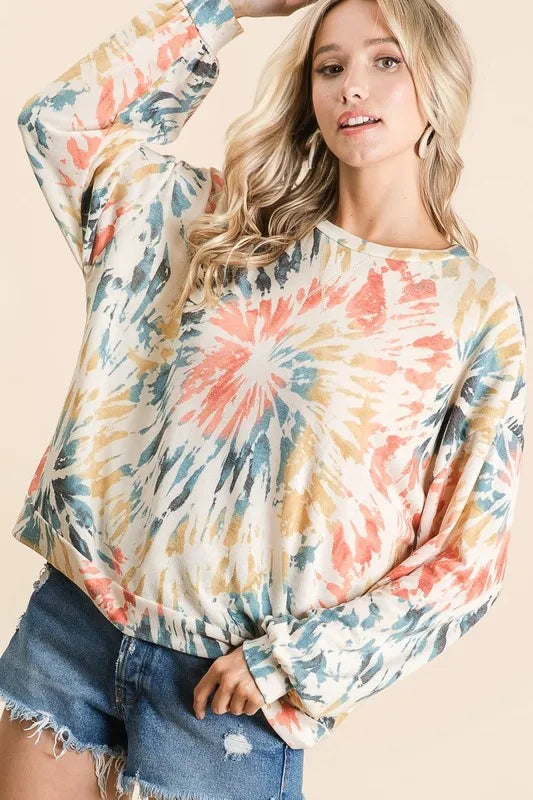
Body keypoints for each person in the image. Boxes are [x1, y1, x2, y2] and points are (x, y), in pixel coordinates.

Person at [0, 0, 527, 797]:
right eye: (330, 67)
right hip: (77, 623)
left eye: (385, 60)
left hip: (224, 691)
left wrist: (294, 664)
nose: (352, 86)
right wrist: (220, 7)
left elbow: (465, 562)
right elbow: (63, 125)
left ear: (438, 82)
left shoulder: (471, 312)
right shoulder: (220, 225)